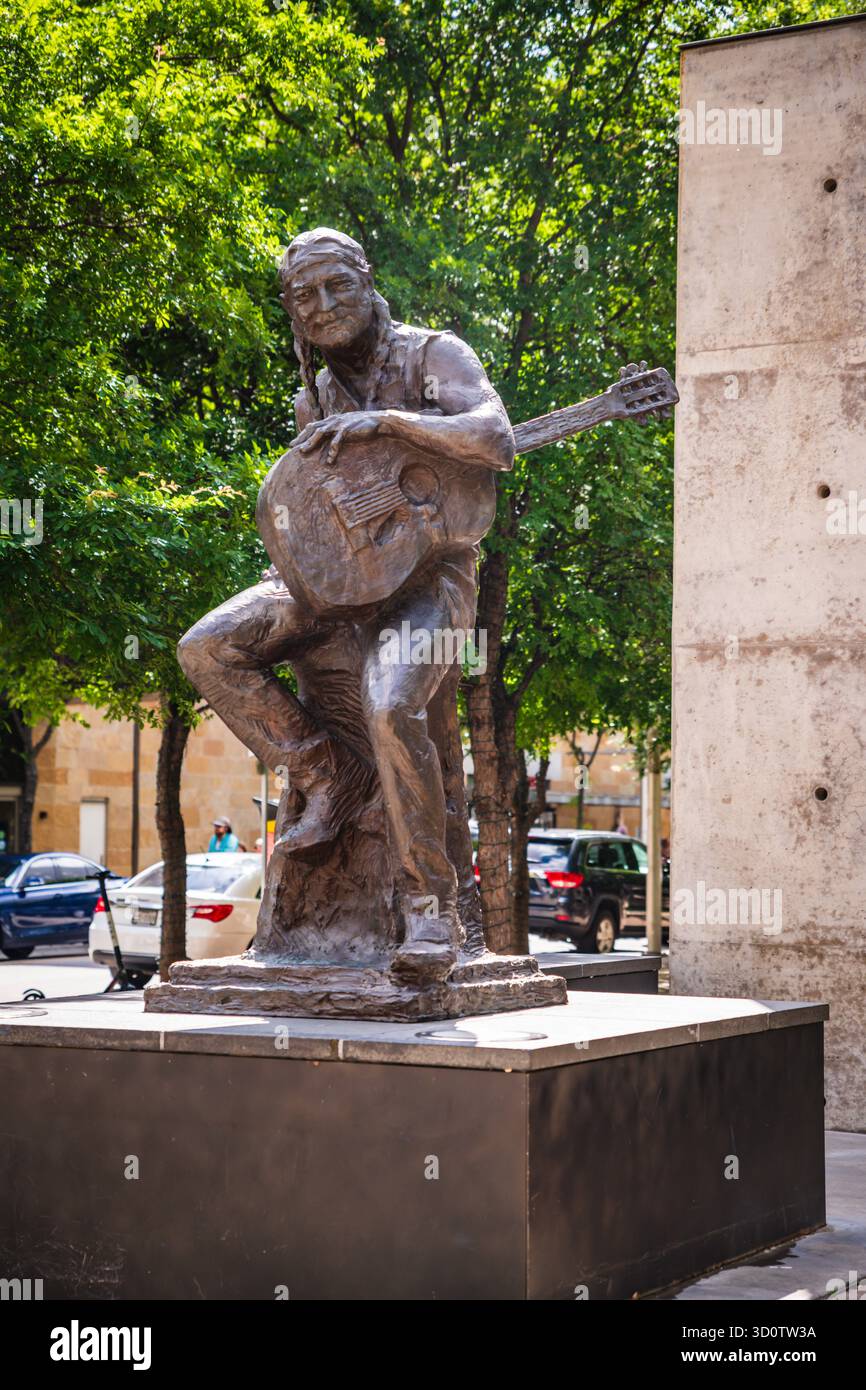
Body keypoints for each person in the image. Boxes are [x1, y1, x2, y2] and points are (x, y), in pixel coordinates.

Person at [178, 228, 513, 983]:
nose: (323, 305)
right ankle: (327, 773)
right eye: (305, 296)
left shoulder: (435, 354)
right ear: (294, 314)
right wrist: (300, 575)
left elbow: (495, 437)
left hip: (433, 582)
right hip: (341, 584)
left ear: (368, 283)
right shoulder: (314, 395)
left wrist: (390, 423)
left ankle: (431, 911)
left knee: (391, 703)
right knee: (207, 646)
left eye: (337, 286)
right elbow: (326, 509)